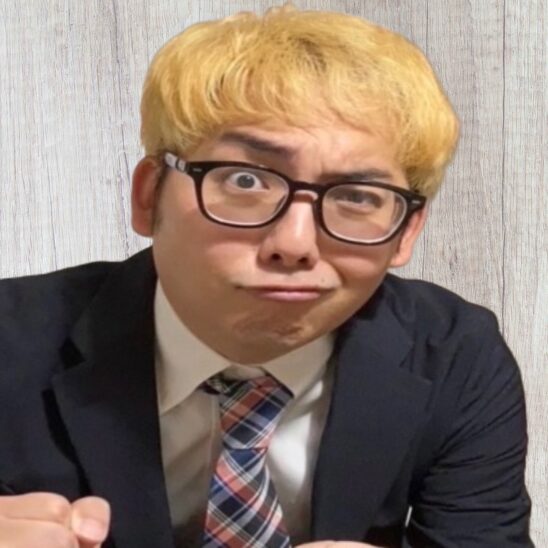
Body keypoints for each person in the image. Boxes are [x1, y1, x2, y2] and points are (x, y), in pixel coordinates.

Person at [0, 5, 533, 548]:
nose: (294, 245)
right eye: (245, 181)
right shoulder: (10, 341)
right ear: (148, 196)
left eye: (357, 197)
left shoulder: (454, 355)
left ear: (405, 232)